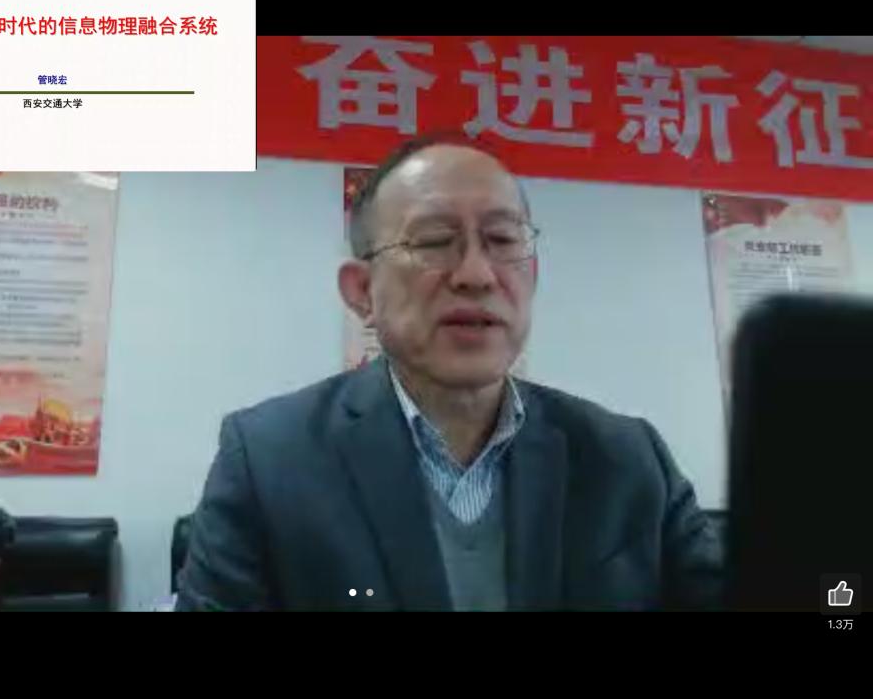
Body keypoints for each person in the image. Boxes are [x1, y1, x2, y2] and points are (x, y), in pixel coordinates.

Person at [176, 135, 723, 611]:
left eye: (503, 241)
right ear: (362, 291)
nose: (477, 275)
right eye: (434, 242)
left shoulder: (628, 459)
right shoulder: (269, 461)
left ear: (531, 276)